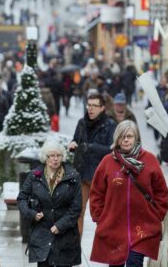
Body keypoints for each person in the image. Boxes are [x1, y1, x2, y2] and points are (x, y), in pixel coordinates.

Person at [89, 121, 168, 266]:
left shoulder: (149, 159)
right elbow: (97, 192)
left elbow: (161, 191)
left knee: (134, 262)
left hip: (142, 228)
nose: (126, 140)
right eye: (122, 137)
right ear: (117, 140)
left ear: (136, 138)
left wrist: (157, 214)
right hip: (113, 228)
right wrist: (100, 217)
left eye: (129, 136)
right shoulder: (107, 161)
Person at [17, 140, 81, 267]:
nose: (55, 159)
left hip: (65, 236)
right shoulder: (34, 176)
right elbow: (21, 199)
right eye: (52, 156)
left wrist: (60, 225)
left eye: (58, 155)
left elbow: (76, 206)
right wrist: (32, 214)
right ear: (45, 158)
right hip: (42, 234)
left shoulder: (73, 177)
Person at [68, 92, 116, 236]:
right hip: (81, 175)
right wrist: (72, 144)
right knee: (77, 212)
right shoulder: (82, 123)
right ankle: (75, 250)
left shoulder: (110, 125)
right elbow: (76, 140)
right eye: (89, 105)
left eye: (94, 106)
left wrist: (90, 147)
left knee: (102, 215)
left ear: (102, 108)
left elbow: (111, 150)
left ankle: (104, 247)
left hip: (100, 177)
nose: (90, 109)